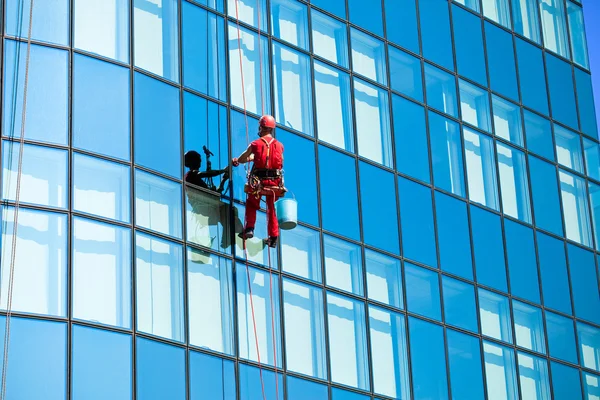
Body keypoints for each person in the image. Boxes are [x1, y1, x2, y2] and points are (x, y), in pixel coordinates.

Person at [232, 115, 285, 248]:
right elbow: (279, 162)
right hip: (274, 182)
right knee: (272, 209)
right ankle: (273, 237)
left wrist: (238, 160)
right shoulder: (279, 145)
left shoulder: (256, 143)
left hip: (258, 181)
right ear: (272, 129)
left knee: (252, 203)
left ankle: (249, 228)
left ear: (261, 127)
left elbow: (243, 158)